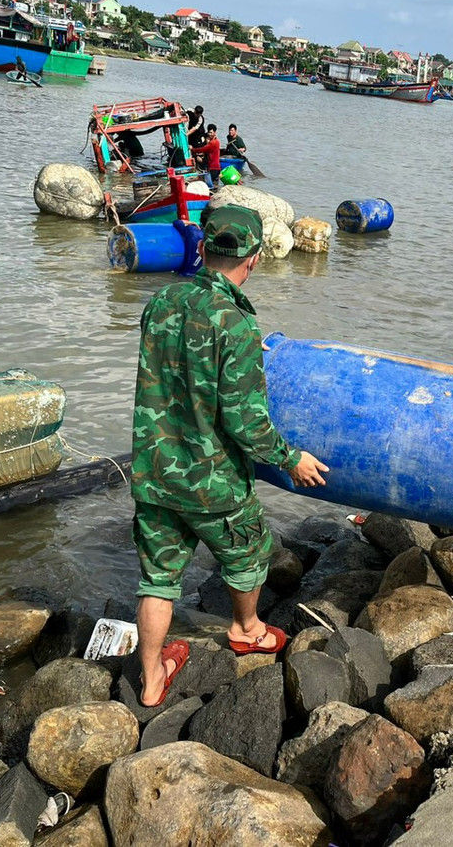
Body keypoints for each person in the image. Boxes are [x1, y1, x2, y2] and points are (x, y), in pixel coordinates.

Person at [131, 205, 329, 707]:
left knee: (158, 577)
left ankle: (152, 678)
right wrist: (291, 459)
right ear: (255, 259)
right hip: (212, 480)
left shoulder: (161, 302)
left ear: (202, 249)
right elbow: (246, 422)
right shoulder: (236, 326)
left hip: (154, 471)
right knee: (246, 554)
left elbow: (173, 364)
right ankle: (247, 629)